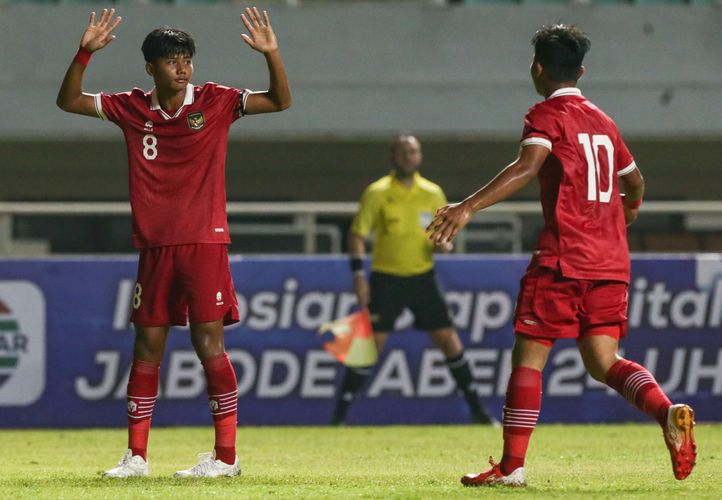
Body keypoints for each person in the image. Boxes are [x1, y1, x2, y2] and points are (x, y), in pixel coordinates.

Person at [427, 24, 696, 487]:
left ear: (537, 69)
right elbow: (635, 182)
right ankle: (666, 410)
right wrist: (627, 213)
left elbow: (528, 166)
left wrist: (466, 206)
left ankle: (511, 468)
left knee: (528, 359)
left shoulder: (545, 115)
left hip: (563, 257)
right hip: (611, 262)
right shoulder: (605, 122)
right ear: (582, 71)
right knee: (603, 361)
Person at [57, 7, 291, 478]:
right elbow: (69, 101)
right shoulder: (131, 107)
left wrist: (272, 56)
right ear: (151, 68)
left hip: (205, 241)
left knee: (210, 345)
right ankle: (137, 458)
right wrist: (84, 52)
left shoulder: (218, 100)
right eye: (171, 60)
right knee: (146, 347)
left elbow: (280, 101)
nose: (182, 67)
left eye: (186, 58)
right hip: (155, 246)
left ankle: (226, 458)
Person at [331, 134, 496, 426]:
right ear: (392, 157)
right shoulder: (377, 192)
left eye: (413, 151)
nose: (408, 156)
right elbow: (357, 235)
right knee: (369, 346)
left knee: (449, 341)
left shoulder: (432, 193)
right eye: (403, 151)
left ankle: (478, 412)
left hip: (422, 278)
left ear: (420, 157)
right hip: (386, 280)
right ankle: (339, 417)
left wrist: (444, 243)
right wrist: (358, 274)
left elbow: (444, 236)